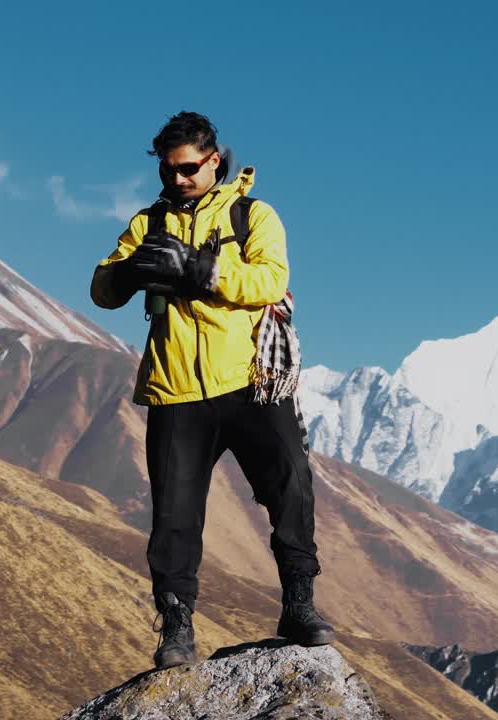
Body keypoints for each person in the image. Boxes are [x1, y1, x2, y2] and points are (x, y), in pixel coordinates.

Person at [89, 111, 333, 670]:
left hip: (250, 383)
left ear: (214, 160)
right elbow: (102, 288)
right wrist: (129, 274)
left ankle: (300, 604)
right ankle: (176, 628)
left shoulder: (253, 215)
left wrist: (202, 267)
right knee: (174, 518)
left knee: (291, 487)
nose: (177, 181)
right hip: (175, 390)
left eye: (189, 169)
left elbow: (270, 280)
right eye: (169, 172)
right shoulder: (146, 223)